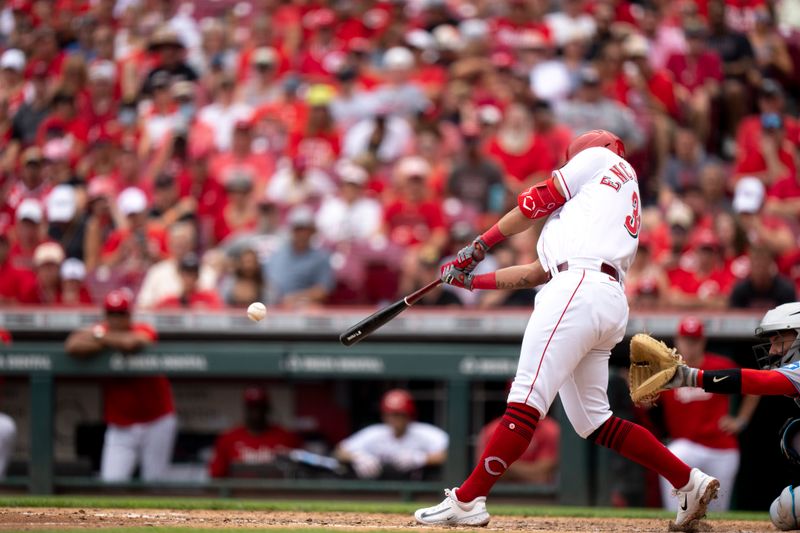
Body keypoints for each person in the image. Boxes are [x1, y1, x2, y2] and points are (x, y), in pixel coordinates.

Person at [415, 130, 717, 529]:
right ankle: (687, 480)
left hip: (577, 289)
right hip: (602, 297)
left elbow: (532, 201)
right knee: (594, 420)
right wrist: (472, 282)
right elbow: (534, 273)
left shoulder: (602, 160)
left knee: (525, 397)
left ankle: (468, 499)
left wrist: (480, 245)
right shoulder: (591, 211)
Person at [660, 302, 800, 522]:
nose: (772, 350)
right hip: (688, 443)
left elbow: (760, 382)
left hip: (720, 447)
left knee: (789, 509)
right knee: (782, 509)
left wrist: (693, 377)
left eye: (778, 341)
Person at [64, 290, 177, 482]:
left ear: (129, 315)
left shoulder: (142, 328)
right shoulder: (100, 330)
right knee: (111, 483)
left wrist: (100, 337)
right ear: (106, 315)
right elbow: (72, 345)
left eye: (121, 313)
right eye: (112, 313)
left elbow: (131, 342)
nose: (116, 319)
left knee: (155, 484)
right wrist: (107, 338)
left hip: (156, 420)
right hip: (121, 426)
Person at [656, 317, 759, 511]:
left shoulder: (719, 365)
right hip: (687, 446)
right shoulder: (666, 372)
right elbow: (648, 405)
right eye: (686, 340)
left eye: (694, 340)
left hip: (720, 447)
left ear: (703, 342)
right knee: (671, 455)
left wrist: (741, 421)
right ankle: (675, 519)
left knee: (717, 513)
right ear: (677, 341)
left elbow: (755, 387)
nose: (690, 346)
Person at [335, 389, 448, 480]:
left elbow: (451, 454)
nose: (393, 419)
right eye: (389, 414)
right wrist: (358, 457)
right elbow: (339, 451)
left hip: (416, 483)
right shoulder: (375, 432)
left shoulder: (424, 432)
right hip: (378, 486)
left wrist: (420, 458)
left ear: (409, 415)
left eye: (398, 414)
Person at [209, 387, 303, 478]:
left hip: (277, 493)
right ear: (245, 409)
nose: (256, 412)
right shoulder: (228, 438)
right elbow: (216, 476)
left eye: (260, 407)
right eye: (252, 407)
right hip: (240, 492)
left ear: (267, 408)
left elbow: (304, 474)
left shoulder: (288, 437)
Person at [265, 205, 334, 308]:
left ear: (312, 231)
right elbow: (265, 282)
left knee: (315, 309)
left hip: (303, 307)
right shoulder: (277, 254)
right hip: (273, 306)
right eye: (298, 229)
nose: (301, 233)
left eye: (305, 229)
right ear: (291, 231)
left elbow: (322, 291)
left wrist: (295, 298)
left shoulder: (321, 257)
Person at [475, 411, 559, 485]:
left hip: (540, 497)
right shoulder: (493, 430)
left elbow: (543, 474)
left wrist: (505, 466)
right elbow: (486, 471)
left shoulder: (550, 429)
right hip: (500, 495)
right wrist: (531, 473)